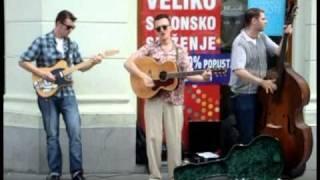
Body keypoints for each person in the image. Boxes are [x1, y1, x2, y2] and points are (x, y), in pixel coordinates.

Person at [124, 14, 212, 180]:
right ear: (155, 30)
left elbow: (189, 73)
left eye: (165, 27)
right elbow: (128, 63)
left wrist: (203, 77)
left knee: (174, 140)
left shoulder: (180, 50)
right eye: (158, 28)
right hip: (153, 99)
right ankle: (155, 176)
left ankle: (174, 176)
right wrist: (143, 76)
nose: (162, 31)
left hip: (174, 100)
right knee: (152, 138)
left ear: (171, 28)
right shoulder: (149, 48)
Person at [19, 10, 103, 180]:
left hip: (68, 94)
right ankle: (55, 173)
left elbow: (81, 66)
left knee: (75, 132)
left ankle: (77, 172)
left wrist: (93, 63)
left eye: (73, 27)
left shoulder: (72, 45)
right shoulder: (41, 41)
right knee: (52, 135)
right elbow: (23, 61)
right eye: (68, 26)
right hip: (47, 95)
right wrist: (43, 74)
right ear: (58, 24)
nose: (70, 30)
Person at [228, 8, 292, 144]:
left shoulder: (261, 37)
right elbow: (238, 70)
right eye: (263, 19)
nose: (266, 22)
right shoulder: (240, 42)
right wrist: (262, 82)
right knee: (247, 135)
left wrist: (286, 36)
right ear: (253, 21)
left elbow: (279, 52)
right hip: (243, 95)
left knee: (257, 132)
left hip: (260, 93)